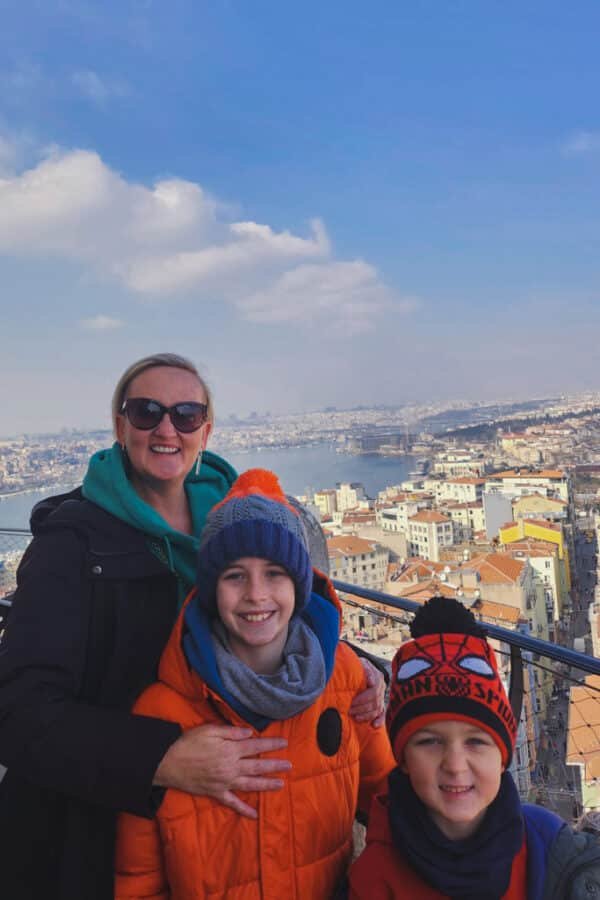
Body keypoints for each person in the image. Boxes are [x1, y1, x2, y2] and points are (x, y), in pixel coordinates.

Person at [0, 353, 384, 900]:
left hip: (226, 825)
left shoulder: (235, 520)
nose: (165, 428)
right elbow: (17, 711)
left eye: (185, 413)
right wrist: (162, 757)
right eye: (145, 411)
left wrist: (346, 668)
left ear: (206, 428)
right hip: (92, 826)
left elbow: (276, 619)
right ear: (119, 425)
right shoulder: (72, 544)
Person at [115, 469, 395, 899]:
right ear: (210, 589)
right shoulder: (162, 710)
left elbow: (390, 806)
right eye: (234, 576)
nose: (256, 595)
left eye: (275, 574)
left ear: (300, 585)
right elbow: (138, 881)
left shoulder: (346, 680)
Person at [348, 596, 600, 900]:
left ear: (503, 756)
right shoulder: (376, 876)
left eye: (476, 741)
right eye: (430, 741)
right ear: (402, 759)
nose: (455, 764)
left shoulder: (547, 844)